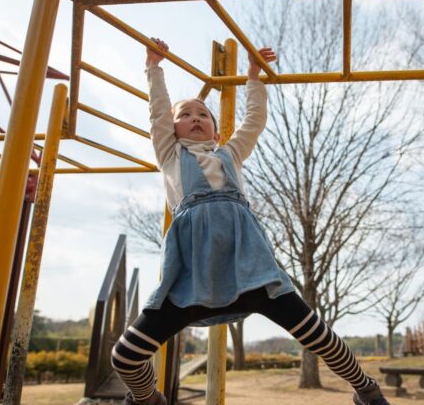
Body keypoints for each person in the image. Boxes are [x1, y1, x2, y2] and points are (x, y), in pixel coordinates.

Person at [109, 37, 390, 405]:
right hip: (191, 278)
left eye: (203, 115)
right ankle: (147, 399)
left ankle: (365, 389)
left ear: (216, 131)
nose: (195, 118)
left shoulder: (230, 154)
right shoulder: (170, 156)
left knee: (316, 333)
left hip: (250, 268)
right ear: (173, 130)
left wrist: (254, 76)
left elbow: (254, 120)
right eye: (185, 114)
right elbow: (158, 113)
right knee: (125, 355)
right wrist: (154, 66)